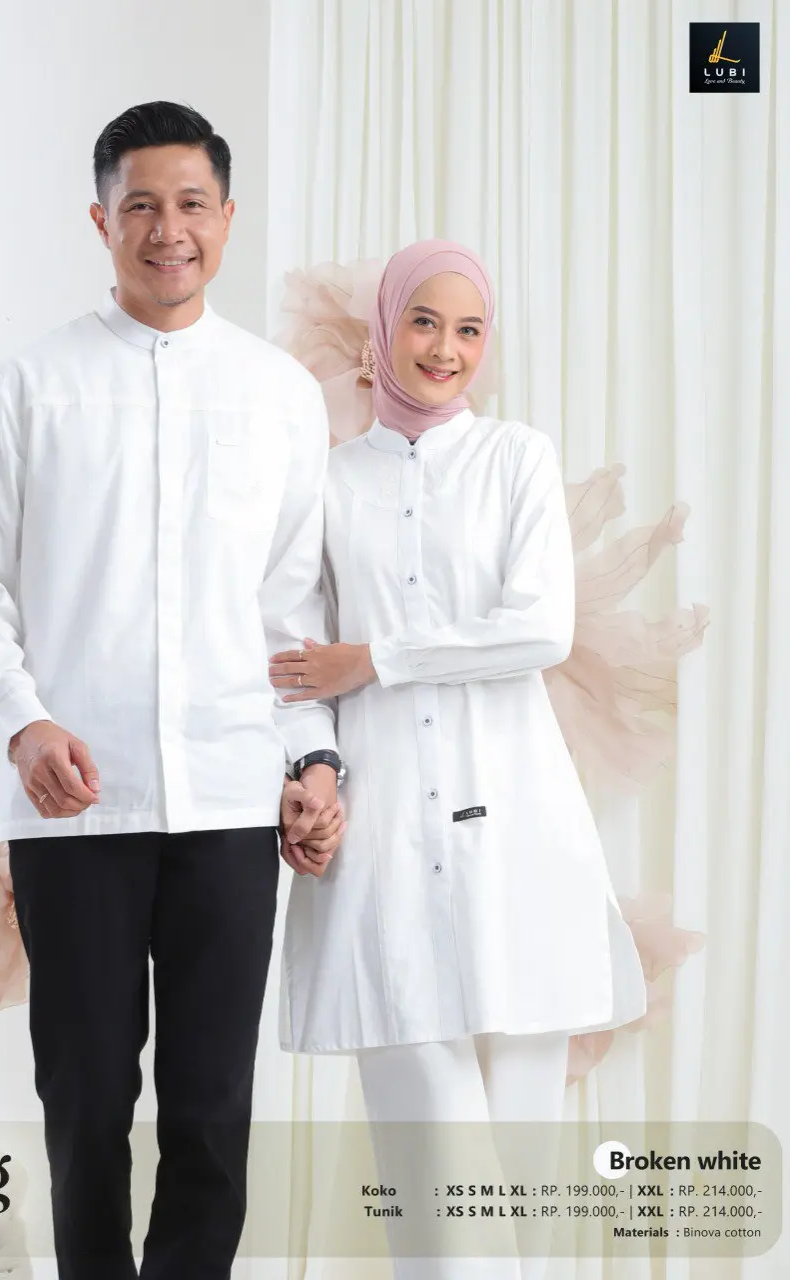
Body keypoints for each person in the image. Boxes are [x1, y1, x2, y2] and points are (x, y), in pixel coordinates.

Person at [0, 101, 347, 1280]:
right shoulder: (27, 388)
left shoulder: (278, 395)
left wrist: (312, 757)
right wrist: (23, 723)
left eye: (193, 204)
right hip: (76, 804)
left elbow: (293, 616)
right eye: (143, 206)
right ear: (100, 219)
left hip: (228, 798)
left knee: (213, 1108)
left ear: (229, 218)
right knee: (86, 1101)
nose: (171, 230)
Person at [269, 240, 648, 1280]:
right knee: (430, 1181)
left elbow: (541, 628)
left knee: (512, 1184)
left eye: (469, 329)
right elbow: (293, 664)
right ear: (383, 329)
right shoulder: (328, 483)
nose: (444, 349)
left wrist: (376, 658)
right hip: (382, 842)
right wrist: (310, 770)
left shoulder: (516, 458)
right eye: (424, 322)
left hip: (519, 844)